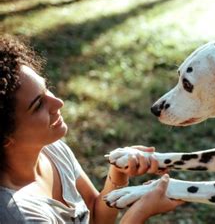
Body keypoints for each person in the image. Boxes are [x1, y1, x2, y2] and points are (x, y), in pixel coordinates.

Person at [0, 34, 183, 223]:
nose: (58, 103)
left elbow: (95, 213)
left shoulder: (51, 149)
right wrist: (141, 210)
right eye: (38, 105)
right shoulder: (19, 214)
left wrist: (118, 173)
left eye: (46, 89)